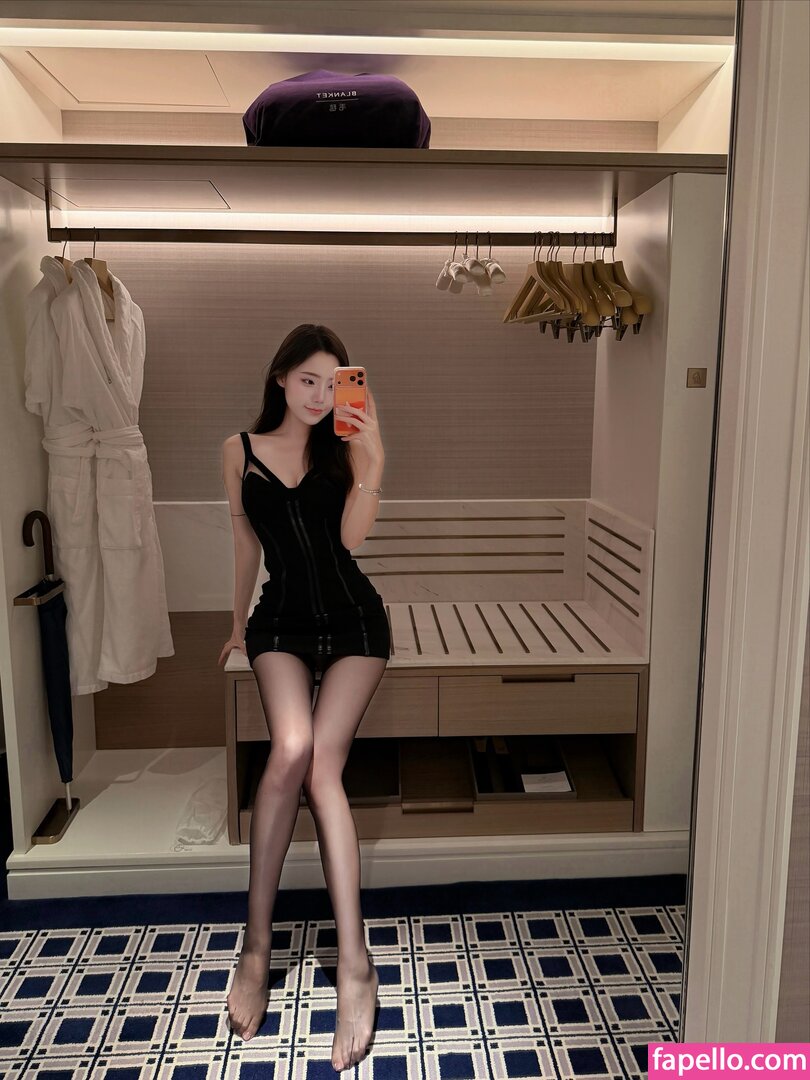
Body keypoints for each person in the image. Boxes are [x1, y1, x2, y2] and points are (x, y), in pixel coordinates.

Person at [218, 324, 389, 1069]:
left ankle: (356, 966)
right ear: (281, 378)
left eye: (333, 381)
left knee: (322, 766)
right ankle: (255, 948)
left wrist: (374, 462)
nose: (321, 396)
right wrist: (235, 625)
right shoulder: (239, 450)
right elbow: (245, 545)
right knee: (289, 748)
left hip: (354, 622)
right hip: (280, 624)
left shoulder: (347, 448)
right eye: (308, 380)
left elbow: (349, 543)